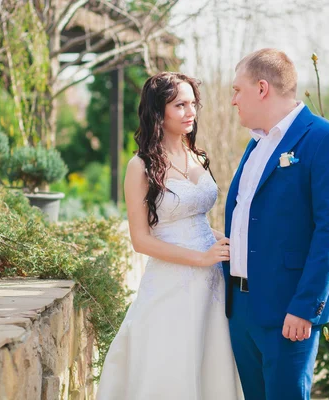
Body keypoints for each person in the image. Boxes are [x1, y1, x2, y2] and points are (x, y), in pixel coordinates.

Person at [96, 72, 243, 400]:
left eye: (193, 104)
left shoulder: (198, 156)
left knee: (211, 366)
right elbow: (141, 240)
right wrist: (201, 258)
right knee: (171, 368)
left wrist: (224, 242)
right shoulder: (141, 166)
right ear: (157, 112)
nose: (190, 111)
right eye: (180, 105)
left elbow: (195, 221)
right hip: (171, 283)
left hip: (213, 283)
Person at [224, 48, 329, 400]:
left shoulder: (328, 140)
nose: (233, 100)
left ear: (262, 88)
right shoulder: (257, 143)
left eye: (238, 90)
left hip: (288, 310)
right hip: (240, 308)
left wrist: (304, 308)